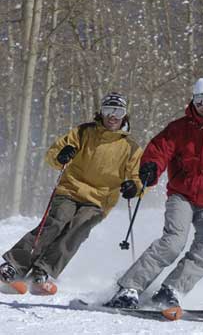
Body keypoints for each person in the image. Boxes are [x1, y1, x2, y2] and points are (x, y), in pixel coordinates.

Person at [107, 77, 203, 309]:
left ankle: (172, 289)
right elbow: (159, 150)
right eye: (201, 101)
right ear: (194, 100)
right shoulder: (179, 128)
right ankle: (130, 288)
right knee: (173, 243)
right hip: (182, 196)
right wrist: (151, 167)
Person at [0, 92, 142, 294]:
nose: (113, 116)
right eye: (108, 110)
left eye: (118, 111)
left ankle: (42, 271)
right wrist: (62, 155)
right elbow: (53, 154)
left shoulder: (131, 147)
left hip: (99, 200)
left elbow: (137, 178)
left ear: (125, 115)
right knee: (57, 221)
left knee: (78, 230)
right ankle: (14, 265)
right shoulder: (84, 132)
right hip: (70, 189)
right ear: (101, 112)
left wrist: (133, 187)